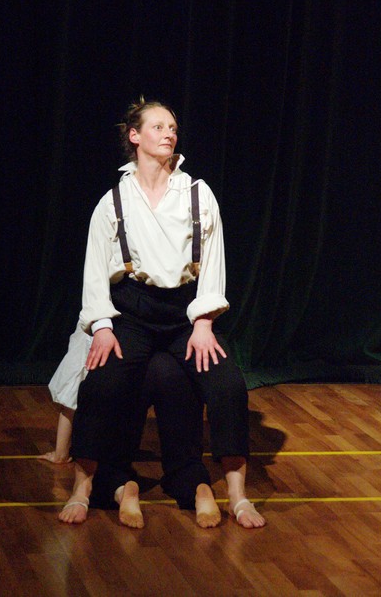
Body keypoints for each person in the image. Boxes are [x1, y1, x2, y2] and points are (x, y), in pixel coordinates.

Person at [62, 98, 265, 529]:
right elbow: (95, 270)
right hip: (131, 312)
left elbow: (213, 261)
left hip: (185, 315)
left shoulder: (196, 193)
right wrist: (102, 326)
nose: (169, 133)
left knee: (228, 385)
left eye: (172, 127)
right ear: (135, 136)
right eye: (158, 127)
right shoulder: (114, 201)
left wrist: (204, 321)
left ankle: (238, 496)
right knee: (100, 384)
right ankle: (83, 488)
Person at [44, 322, 219, 527]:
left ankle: (114, 489)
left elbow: (75, 395)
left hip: (127, 352)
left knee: (111, 464)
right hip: (178, 357)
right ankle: (197, 486)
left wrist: (61, 452)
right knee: (185, 459)